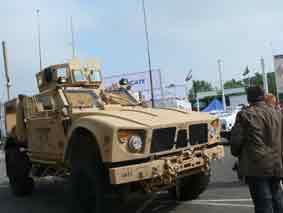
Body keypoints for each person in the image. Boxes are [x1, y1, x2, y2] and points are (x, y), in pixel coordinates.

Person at [230, 86, 283, 213]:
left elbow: (235, 144)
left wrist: (237, 153)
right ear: (263, 96)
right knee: (277, 200)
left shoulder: (245, 114)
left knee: (263, 204)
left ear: (249, 98)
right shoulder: (277, 113)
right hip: (276, 164)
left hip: (256, 166)